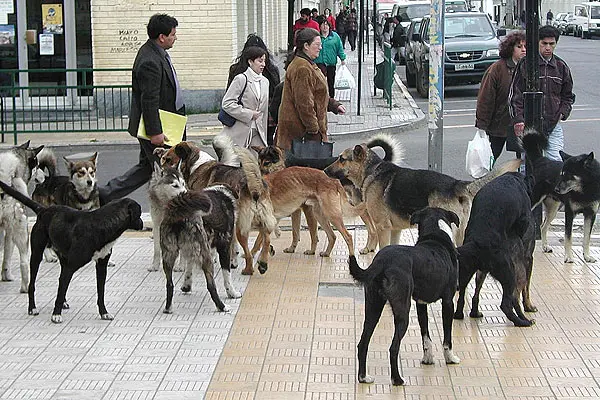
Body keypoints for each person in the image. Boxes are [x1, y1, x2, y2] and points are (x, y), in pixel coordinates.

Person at [98, 14, 183, 205]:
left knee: (146, 168)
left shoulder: (157, 53)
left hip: (166, 122)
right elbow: (149, 99)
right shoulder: (150, 60)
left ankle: (105, 194)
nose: (175, 37)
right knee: (166, 172)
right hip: (156, 127)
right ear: (162, 37)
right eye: (172, 34)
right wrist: (156, 132)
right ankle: (168, 210)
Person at [509, 25, 574, 162]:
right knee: (529, 166)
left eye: (552, 44)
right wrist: (518, 120)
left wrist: (562, 113)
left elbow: (568, 96)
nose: (548, 48)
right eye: (544, 43)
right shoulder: (526, 64)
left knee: (556, 162)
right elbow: (515, 95)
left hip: (553, 123)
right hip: (529, 124)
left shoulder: (561, 66)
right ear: (537, 43)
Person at [275, 28, 346, 150]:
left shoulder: (307, 64)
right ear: (306, 46)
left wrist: (333, 105)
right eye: (317, 45)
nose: (320, 48)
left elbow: (316, 94)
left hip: (304, 135)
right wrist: (314, 131)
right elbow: (304, 104)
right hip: (300, 136)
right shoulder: (302, 68)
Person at [475, 31, 526, 162]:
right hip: (499, 123)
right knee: (490, 157)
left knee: (525, 160)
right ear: (511, 48)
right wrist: (482, 125)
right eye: (519, 47)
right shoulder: (497, 69)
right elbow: (486, 98)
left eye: (526, 47)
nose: (523, 50)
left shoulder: (530, 68)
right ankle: (483, 181)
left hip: (522, 122)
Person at [228, 34, 280, 145]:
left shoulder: (265, 75)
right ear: (250, 60)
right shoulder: (270, 71)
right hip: (260, 119)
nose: (262, 64)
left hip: (252, 119)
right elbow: (228, 101)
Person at [220, 46, 270, 149]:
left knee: (255, 163)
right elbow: (227, 103)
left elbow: (264, 111)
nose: (263, 65)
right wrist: (249, 114)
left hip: (259, 133)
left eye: (264, 61)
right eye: (260, 61)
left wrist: (264, 133)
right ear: (250, 62)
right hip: (239, 133)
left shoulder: (265, 82)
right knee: (237, 163)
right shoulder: (241, 79)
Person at [314, 16, 346, 97]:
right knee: (320, 83)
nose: (325, 27)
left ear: (329, 26)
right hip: (319, 63)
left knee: (331, 82)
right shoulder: (316, 37)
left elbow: (339, 48)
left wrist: (342, 58)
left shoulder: (335, 36)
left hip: (331, 63)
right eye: (323, 25)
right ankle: (321, 98)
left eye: (326, 25)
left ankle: (331, 99)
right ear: (320, 27)